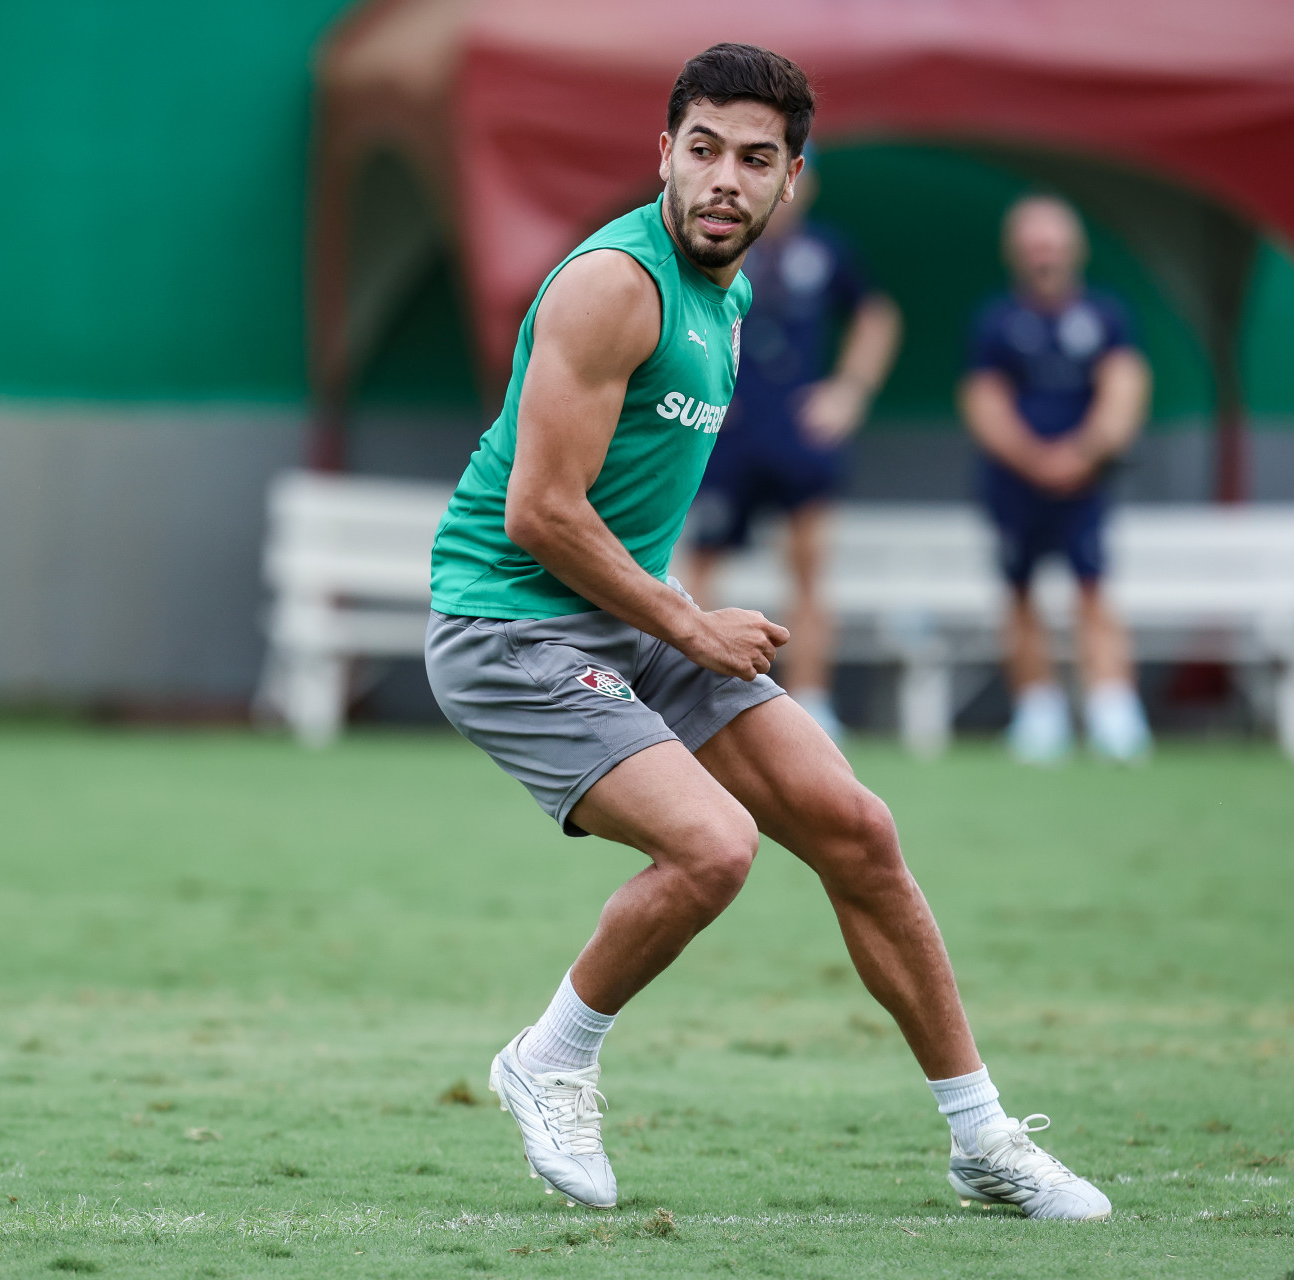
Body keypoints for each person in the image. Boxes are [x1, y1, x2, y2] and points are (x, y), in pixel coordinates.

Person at [425, 43, 1109, 1219]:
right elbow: (539, 510)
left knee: (857, 829)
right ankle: (549, 1058)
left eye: (754, 159)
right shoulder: (615, 284)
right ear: (664, 156)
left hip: (630, 621)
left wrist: (670, 624)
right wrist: (690, 621)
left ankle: (981, 1135)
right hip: (511, 627)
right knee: (715, 846)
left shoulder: (731, 291)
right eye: (702, 152)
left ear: (791, 179)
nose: (723, 181)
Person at [680, 143, 901, 742]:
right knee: (700, 563)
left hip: (798, 432)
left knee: (807, 568)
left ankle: (811, 702)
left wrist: (849, 391)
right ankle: (692, 692)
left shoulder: (824, 253)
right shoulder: (718, 244)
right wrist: (700, 389)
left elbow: (877, 316)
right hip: (726, 433)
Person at [960, 195, 1151, 763]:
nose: (1044, 256)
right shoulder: (996, 322)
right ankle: (1038, 713)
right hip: (1015, 486)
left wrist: (1082, 453)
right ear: (1016, 253)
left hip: (1086, 486)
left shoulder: (1107, 316)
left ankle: (1113, 711)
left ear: (1074, 250)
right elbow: (983, 401)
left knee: (1093, 592)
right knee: (1018, 595)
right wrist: (1033, 457)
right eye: (1033, 246)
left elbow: (1125, 389)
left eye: (1053, 245)